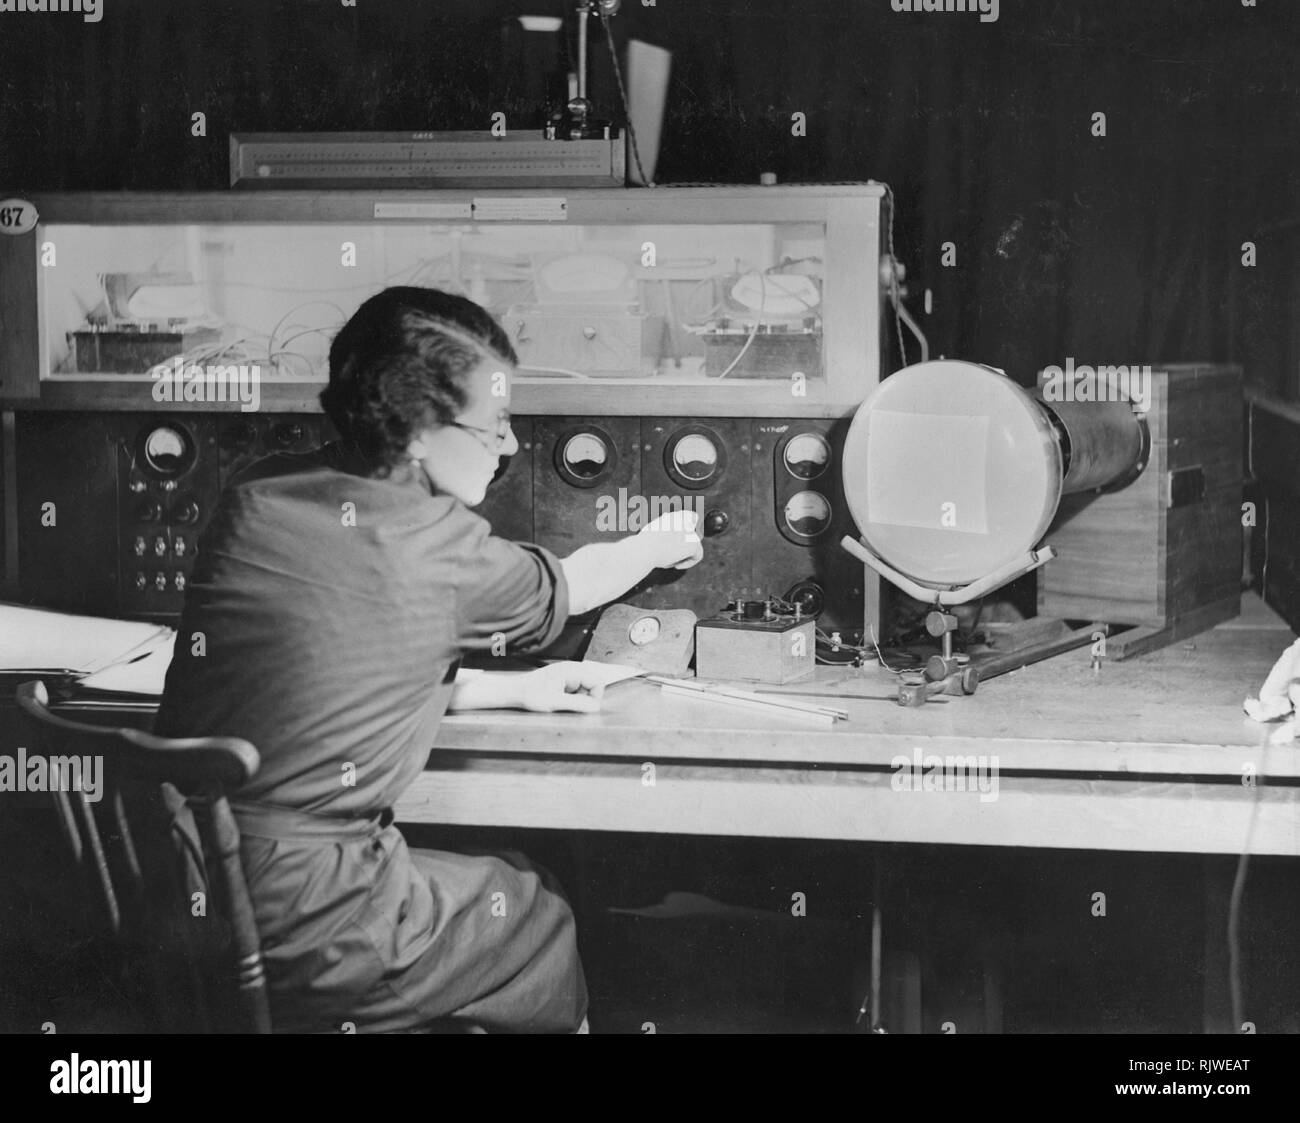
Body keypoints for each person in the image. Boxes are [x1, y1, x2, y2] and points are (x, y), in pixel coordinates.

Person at [156, 287, 704, 1032]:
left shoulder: (253, 493)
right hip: (319, 923)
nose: (509, 447)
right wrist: (655, 543)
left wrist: (515, 693)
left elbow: (329, 681)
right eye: (497, 425)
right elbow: (574, 586)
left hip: (180, 896)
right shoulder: (440, 545)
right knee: (536, 902)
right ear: (418, 432)